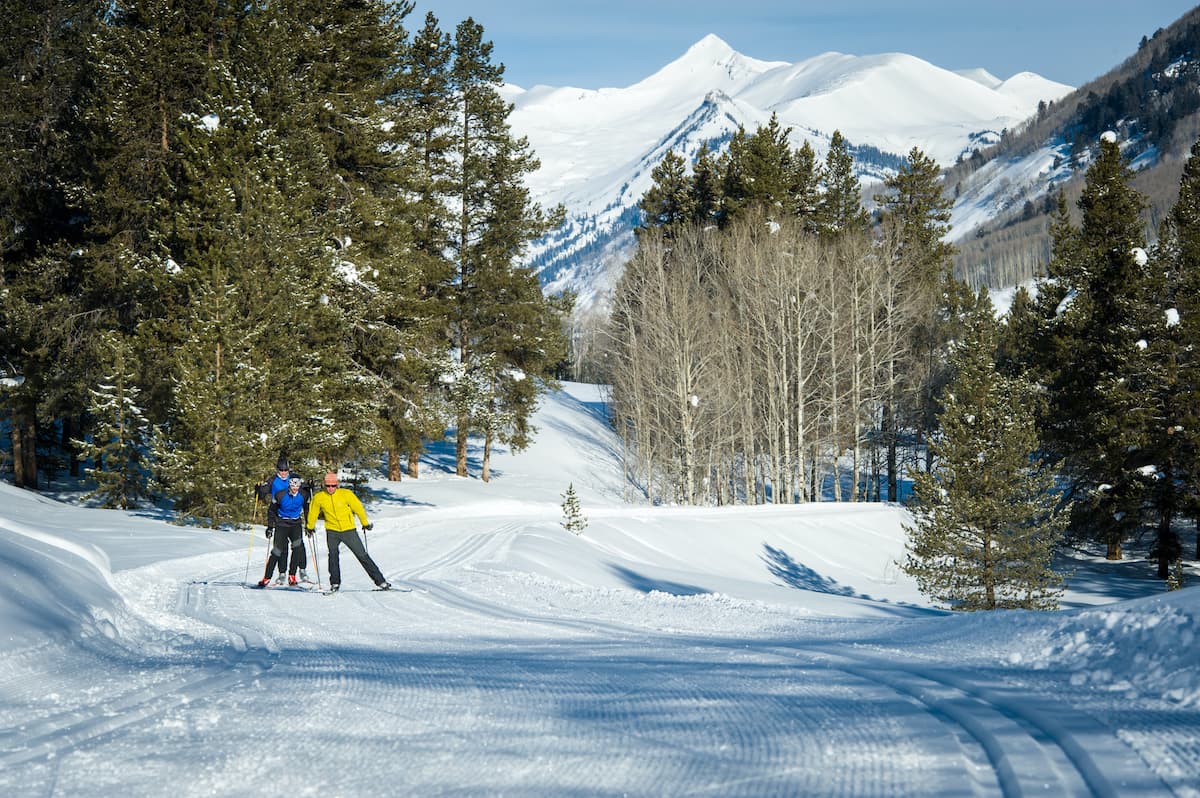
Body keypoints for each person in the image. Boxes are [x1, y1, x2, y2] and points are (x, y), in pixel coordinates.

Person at [305, 472, 390, 592]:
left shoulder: (346, 494)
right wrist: (309, 526)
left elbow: (358, 508)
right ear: (324, 485)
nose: (330, 488)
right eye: (328, 486)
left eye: (333, 486)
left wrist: (364, 523)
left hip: (349, 530)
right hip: (332, 531)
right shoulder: (319, 497)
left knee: (362, 555)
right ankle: (335, 583)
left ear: (337, 484)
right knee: (333, 557)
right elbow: (313, 512)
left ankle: (381, 582)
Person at [255, 456, 310, 586]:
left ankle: (297, 573)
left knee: (298, 546)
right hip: (280, 517)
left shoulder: (294, 479)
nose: (284, 472)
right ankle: (277, 575)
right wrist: (259, 491)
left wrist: (309, 487)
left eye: (286, 470)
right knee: (279, 550)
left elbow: (305, 491)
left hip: (295, 520)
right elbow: (264, 493)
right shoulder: (274, 481)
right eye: (281, 470)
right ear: (277, 470)